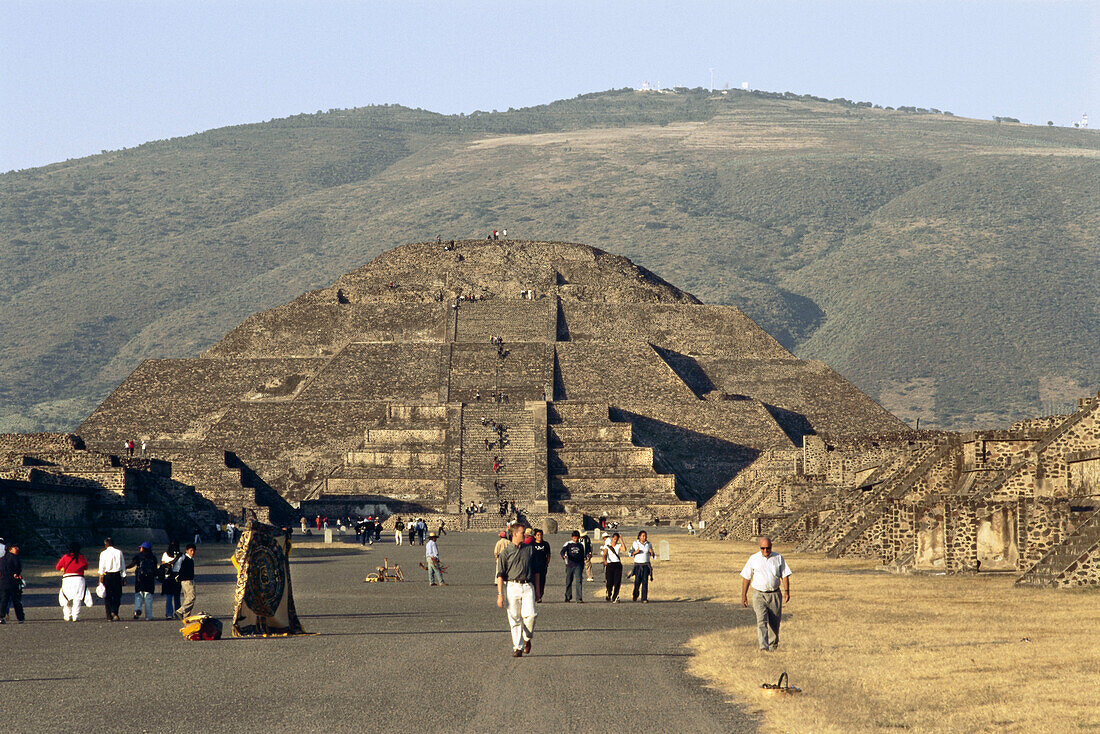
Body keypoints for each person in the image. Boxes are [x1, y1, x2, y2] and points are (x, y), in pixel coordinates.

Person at [740, 536, 791, 651]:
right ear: (760, 548)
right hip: (759, 595)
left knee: (775, 622)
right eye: (762, 548)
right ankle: (763, 647)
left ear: (771, 547)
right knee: (761, 621)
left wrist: (787, 591)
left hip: (774, 594)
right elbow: (746, 577)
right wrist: (744, 595)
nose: (765, 551)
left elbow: (785, 575)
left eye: (767, 548)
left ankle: (773, 646)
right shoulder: (753, 559)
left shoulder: (778, 558)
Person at [496, 523, 537, 657]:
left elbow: (536, 571)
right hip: (512, 586)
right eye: (522, 532)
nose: (524, 534)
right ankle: (517, 647)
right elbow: (500, 574)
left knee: (531, 615)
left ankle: (527, 638)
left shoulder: (530, 550)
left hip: (527, 585)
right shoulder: (505, 553)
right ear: (514, 534)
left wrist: (538, 590)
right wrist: (500, 594)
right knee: (514, 618)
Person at [56, 542, 89, 621]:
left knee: (65, 597)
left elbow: (58, 567)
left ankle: (67, 615)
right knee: (77, 597)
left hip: (67, 579)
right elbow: (86, 567)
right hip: (79, 579)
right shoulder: (81, 557)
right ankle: (76, 616)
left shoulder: (65, 557)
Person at [127, 542, 157, 620]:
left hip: (140, 579)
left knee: (138, 595)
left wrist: (125, 567)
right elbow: (155, 569)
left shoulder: (138, 556)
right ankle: (149, 616)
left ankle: (137, 609)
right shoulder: (153, 557)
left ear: (143, 548)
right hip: (150, 579)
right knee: (148, 597)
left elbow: (132, 564)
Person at [98, 537, 125, 621]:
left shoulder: (103, 553)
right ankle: (115, 611)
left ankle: (109, 615)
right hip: (117, 575)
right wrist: (124, 576)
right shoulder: (119, 552)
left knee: (108, 596)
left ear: (106, 545)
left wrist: (100, 579)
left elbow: (101, 567)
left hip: (107, 576)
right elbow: (123, 565)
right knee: (117, 595)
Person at [0, 542, 24, 624]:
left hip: (3, 583)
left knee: (3, 601)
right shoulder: (15, 558)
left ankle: (1, 617)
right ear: (10, 549)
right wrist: (17, 575)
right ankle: (20, 618)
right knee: (17, 601)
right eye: (15, 547)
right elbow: (18, 569)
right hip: (13, 583)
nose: (17, 548)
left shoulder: (2, 559)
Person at [560, 531, 586, 603]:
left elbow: (582, 555)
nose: (575, 539)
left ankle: (579, 598)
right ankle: (568, 596)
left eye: (577, 538)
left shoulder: (580, 545)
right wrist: (564, 556)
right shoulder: (568, 544)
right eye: (574, 538)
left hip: (578, 565)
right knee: (568, 581)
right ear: (572, 537)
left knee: (579, 581)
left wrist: (582, 566)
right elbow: (562, 552)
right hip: (570, 565)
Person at [630, 531, 655, 603]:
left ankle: (644, 598)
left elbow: (653, 556)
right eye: (643, 536)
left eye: (645, 536)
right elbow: (630, 553)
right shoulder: (635, 543)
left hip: (646, 565)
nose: (644, 537)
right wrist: (635, 552)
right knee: (637, 581)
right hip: (638, 565)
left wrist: (651, 552)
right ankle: (635, 594)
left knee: (645, 582)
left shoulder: (649, 544)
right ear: (639, 536)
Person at [160, 541, 183, 619]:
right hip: (175, 576)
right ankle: (177, 613)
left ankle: (169, 613)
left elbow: (163, 563)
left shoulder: (165, 554)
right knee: (176, 596)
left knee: (170, 596)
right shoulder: (180, 555)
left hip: (169, 576)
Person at [601, 533, 626, 603]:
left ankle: (615, 596)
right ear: (612, 538)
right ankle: (609, 593)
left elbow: (624, 549)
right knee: (609, 581)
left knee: (617, 581)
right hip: (610, 564)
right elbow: (604, 554)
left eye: (616, 539)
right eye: (614, 539)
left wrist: (621, 540)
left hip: (617, 564)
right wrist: (605, 560)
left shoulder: (618, 546)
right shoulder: (608, 546)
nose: (615, 541)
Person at [175, 544, 197, 619]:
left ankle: (186, 616)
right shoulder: (185, 559)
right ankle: (181, 611)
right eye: (191, 550)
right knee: (192, 597)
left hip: (186, 581)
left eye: (194, 551)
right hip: (187, 581)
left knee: (187, 598)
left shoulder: (190, 559)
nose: (192, 552)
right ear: (187, 551)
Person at [530, 529, 551, 602]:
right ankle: (536, 596)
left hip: (543, 566)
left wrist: (547, 563)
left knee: (542, 582)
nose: (540, 536)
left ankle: (540, 595)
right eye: (538, 535)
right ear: (535, 536)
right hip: (534, 566)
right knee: (534, 582)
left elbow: (548, 555)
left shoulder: (545, 544)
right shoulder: (531, 544)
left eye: (541, 535)